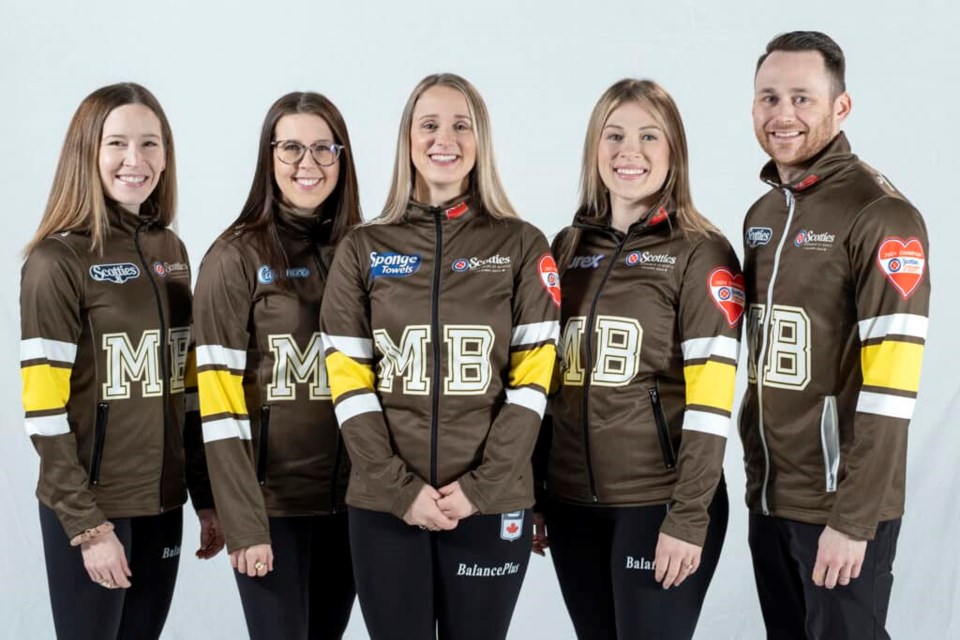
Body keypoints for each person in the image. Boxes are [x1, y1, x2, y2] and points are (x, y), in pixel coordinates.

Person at [319, 73, 559, 640]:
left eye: (460, 125)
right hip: (384, 504)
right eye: (429, 124)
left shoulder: (523, 245)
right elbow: (349, 387)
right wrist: (399, 490)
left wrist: (481, 488)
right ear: (408, 138)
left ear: (481, 141)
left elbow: (532, 388)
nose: (443, 139)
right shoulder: (363, 247)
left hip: (490, 501)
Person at [534, 78, 742, 640]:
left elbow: (711, 404)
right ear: (593, 148)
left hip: (659, 503)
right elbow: (542, 385)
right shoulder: (566, 247)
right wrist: (534, 492)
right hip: (571, 503)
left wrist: (689, 515)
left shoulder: (700, 252)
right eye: (615, 135)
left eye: (650, 135)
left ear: (674, 150)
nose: (631, 151)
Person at [740, 31, 930, 639]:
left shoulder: (881, 214)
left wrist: (854, 519)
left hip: (840, 509)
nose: (783, 114)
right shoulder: (762, 216)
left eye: (802, 97)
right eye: (769, 98)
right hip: (770, 496)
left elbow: (891, 390)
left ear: (840, 107)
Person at [19, 82, 222, 640]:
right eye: (117, 144)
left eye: (150, 144)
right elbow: (43, 411)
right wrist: (87, 526)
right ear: (88, 150)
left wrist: (205, 498)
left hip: (161, 504)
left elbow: (189, 392)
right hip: (93, 509)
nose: (136, 161)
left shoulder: (170, 252)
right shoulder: (55, 261)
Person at [192, 91, 362, 639]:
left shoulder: (365, 250)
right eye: (291, 148)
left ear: (343, 157)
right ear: (269, 157)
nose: (307, 164)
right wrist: (242, 522)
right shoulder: (234, 257)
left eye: (323, 148)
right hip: (273, 508)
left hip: (353, 505)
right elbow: (216, 404)